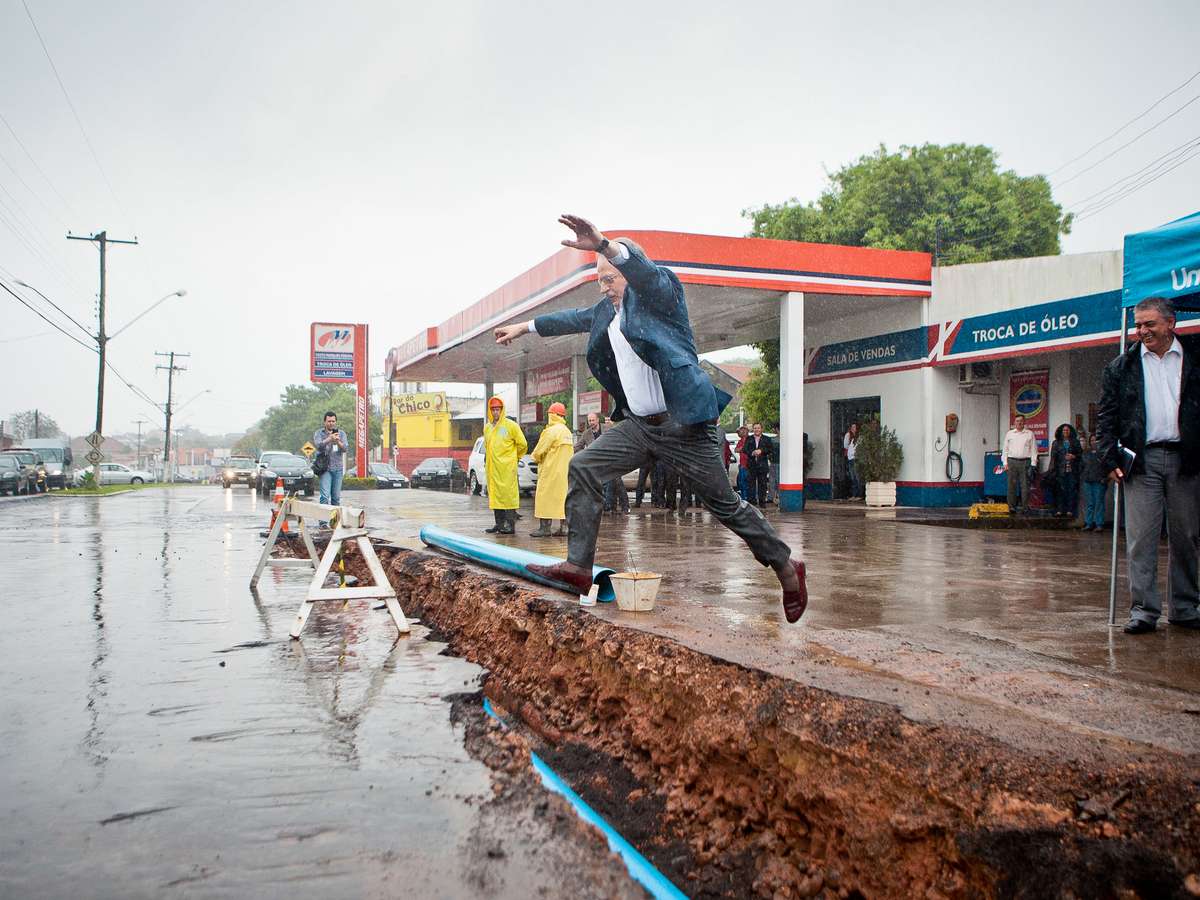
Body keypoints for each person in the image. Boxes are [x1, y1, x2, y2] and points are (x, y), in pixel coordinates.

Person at [494, 213, 806, 622]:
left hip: (683, 426)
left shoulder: (662, 295)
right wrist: (526, 327)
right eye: (600, 280)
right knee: (584, 467)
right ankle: (578, 567)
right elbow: (572, 319)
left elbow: (644, 272)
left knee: (725, 505)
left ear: (627, 271)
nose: (605, 287)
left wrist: (605, 247)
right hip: (640, 428)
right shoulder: (606, 312)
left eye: (611, 278)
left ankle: (785, 564)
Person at [1097, 296, 1200, 634]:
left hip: (1186, 459)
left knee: (1187, 535)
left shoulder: (1194, 359)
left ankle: (1185, 607)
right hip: (1140, 461)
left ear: (1170, 323)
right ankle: (1143, 610)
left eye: (1149, 324)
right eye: (1138, 324)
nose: (1141, 330)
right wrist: (1108, 457)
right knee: (1141, 538)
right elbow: (1106, 417)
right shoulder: (1121, 367)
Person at [482, 396, 527, 535]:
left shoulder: (511, 426)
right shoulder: (488, 428)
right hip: (493, 468)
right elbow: (487, 446)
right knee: (496, 495)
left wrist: (514, 458)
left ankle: (510, 524)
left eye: (498, 409)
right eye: (493, 409)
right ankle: (499, 523)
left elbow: (522, 444)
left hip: (507, 468)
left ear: (502, 410)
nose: (495, 412)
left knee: (508, 495)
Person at [529, 402, 573, 537]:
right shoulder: (567, 432)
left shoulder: (550, 431)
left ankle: (544, 528)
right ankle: (564, 528)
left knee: (544, 498)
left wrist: (535, 458)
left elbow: (538, 452)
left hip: (550, 471)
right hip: (565, 473)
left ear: (552, 415)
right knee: (562, 500)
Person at [1001, 414, 1038, 512]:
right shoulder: (1009, 434)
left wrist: (1033, 464)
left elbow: (1034, 450)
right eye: (1017, 421)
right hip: (1011, 461)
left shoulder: (1030, 434)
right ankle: (1012, 507)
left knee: (1025, 486)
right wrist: (1005, 463)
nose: (1019, 422)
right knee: (1011, 486)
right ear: (1014, 423)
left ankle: (1025, 507)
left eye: (1021, 421)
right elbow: (1005, 449)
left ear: (1024, 422)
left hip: (1025, 462)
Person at [1047, 423, 1083, 518]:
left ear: (1070, 431)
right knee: (1059, 490)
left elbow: (1081, 455)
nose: (1065, 432)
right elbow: (1053, 458)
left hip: (1072, 470)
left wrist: (1073, 456)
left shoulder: (1075, 442)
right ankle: (1059, 509)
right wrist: (1051, 470)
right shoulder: (1056, 443)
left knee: (1071, 490)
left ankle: (1070, 510)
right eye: (1064, 430)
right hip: (1060, 470)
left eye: (1067, 430)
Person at [313, 411, 348, 507]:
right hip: (325, 469)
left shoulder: (341, 434)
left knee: (336, 498)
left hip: (338, 469)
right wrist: (329, 438)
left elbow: (345, 448)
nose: (331, 423)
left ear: (336, 422)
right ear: (324, 422)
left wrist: (338, 441)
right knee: (324, 496)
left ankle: (334, 521)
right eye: (329, 421)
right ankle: (323, 522)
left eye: (333, 421)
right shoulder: (319, 433)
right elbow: (319, 446)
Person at [601, 416, 630, 513]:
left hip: (616, 460)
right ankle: (613, 506)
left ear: (613, 421)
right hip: (608, 461)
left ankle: (623, 505)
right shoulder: (605, 431)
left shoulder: (617, 430)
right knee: (612, 483)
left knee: (618, 483)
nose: (607, 422)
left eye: (608, 420)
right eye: (605, 421)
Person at [1080, 433, 1107, 532]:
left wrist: (1104, 478)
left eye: (1095, 440)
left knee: (1099, 503)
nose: (1093, 442)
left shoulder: (1103, 453)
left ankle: (1099, 523)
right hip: (1087, 481)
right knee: (1089, 503)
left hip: (1099, 481)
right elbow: (1082, 466)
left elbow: (1107, 467)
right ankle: (1089, 523)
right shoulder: (1086, 453)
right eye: (1091, 440)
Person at [745, 423, 773, 508]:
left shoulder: (767, 439)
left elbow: (770, 449)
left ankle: (762, 502)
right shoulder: (749, 439)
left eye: (758, 428)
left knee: (763, 484)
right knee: (751, 484)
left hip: (762, 465)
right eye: (755, 428)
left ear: (761, 429)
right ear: (753, 429)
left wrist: (761, 451)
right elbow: (745, 449)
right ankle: (752, 501)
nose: (756, 430)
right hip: (751, 465)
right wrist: (752, 452)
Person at [843, 423, 861, 499]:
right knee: (852, 477)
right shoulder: (849, 436)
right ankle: (854, 494)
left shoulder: (859, 437)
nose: (853, 429)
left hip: (856, 459)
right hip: (850, 458)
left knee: (856, 477)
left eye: (854, 427)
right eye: (852, 427)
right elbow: (845, 446)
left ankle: (858, 495)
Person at [734, 425, 750, 501]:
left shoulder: (750, 440)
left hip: (748, 465)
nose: (739, 433)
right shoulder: (741, 441)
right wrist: (743, 449)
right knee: (742, 482)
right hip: (742, 464)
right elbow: (736, 450)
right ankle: (744, 498)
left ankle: (747, 497)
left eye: (740, 432)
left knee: (747, 482)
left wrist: (742, 449)